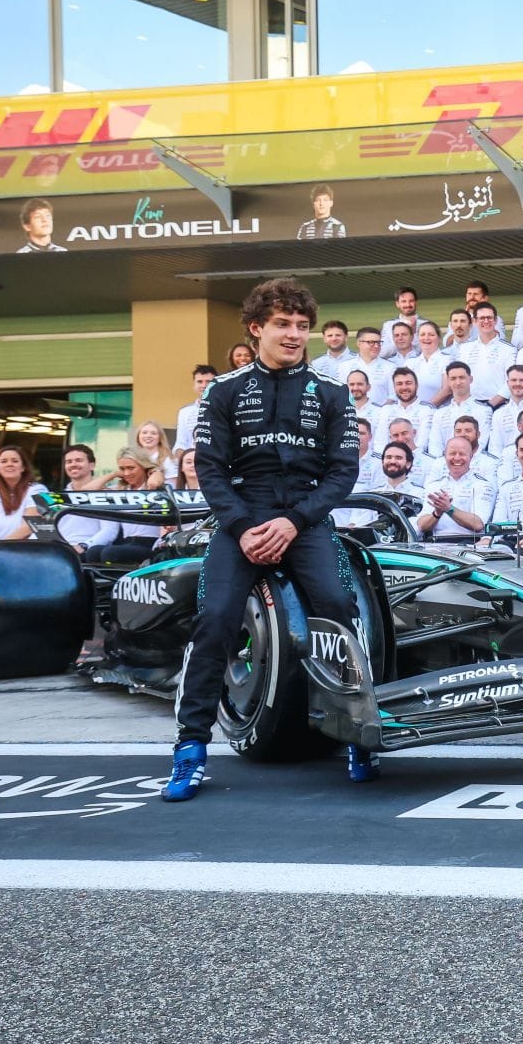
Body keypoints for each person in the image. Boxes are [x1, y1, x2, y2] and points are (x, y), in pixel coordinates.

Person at [164, 278, 362, 801]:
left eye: (302, 325)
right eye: (282, 324)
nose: (294, 334)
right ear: (256, 328)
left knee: (339, 604)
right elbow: (209, 469)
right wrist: (241, 527)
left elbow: (343, 473)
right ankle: (190, 746)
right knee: (214, 618)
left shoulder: (333, 391)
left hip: (307, 517)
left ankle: (356, 729)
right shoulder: (222, 391)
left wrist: (294, 522)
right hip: (242, 518)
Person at [0, 446, 43, 540]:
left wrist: (1, 545)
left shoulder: (38, 489)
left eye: (15, 461)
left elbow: (30, 525)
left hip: (25, 548)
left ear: (23, 467)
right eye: (4, 461)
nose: (9, 464)